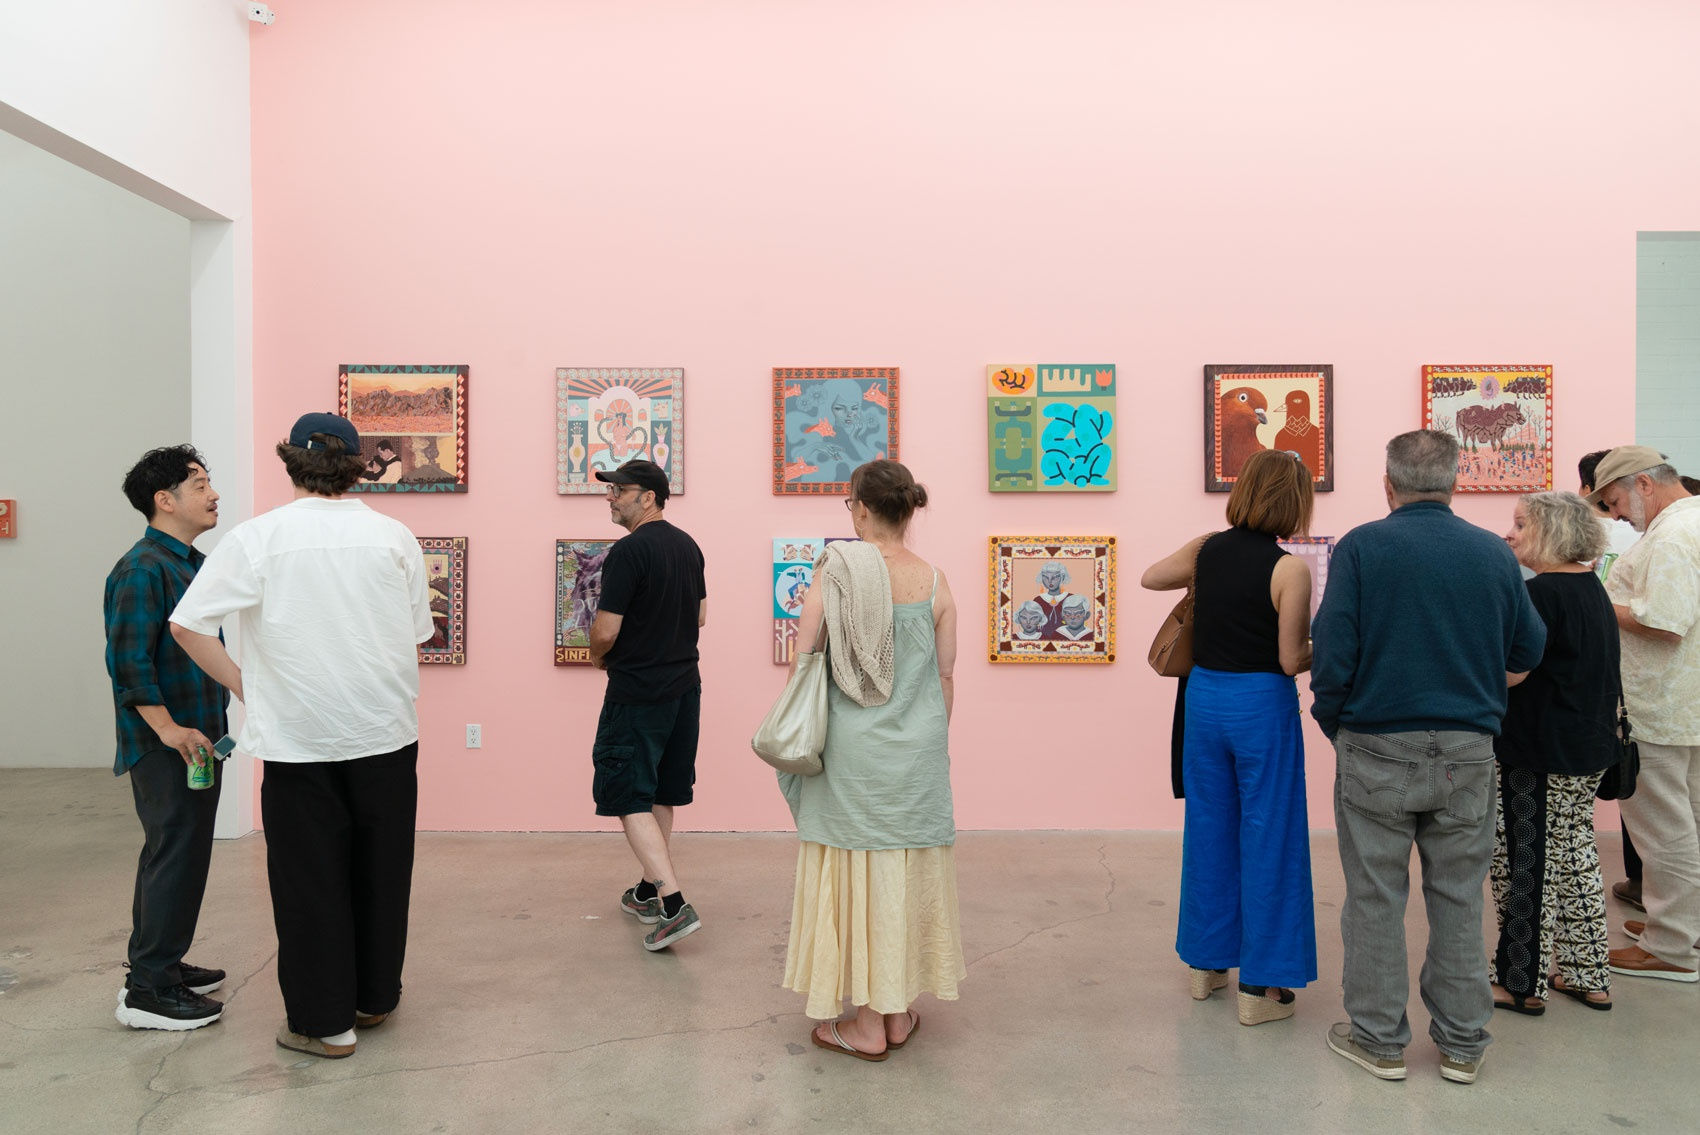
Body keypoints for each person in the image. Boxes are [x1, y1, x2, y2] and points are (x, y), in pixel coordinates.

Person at [170, 412, 433, 1059]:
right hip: (385, 733)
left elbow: (188, 625)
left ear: (292, 463)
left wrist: (245, 684)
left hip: (297, 739)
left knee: (310, 881)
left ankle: (324, 1022)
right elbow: (418, 632)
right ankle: (373, 998)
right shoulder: (394, 535)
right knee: (382, 871)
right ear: (357, 464)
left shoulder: (258, 538)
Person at [1311, 429, 1545, 1084]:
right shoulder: (1492, 555)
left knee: (1375, 896)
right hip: (1469, 749)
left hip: (1375, 743)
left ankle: (1380, 1039)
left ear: (1388, 485)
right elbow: (1527, 649)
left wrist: (1338, 724)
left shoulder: (1362, 546)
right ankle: (1464, 1044)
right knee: (1459, 896)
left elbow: (1332, 654)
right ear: (1454, 483)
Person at [780, 459, 964, 1060]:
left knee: (857, 875)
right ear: (908, 510)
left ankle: (864, 1026)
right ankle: (894, 1011)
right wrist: (921, 742)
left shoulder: (836, 573)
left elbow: (804, 658)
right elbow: (943, 677)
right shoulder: (936, 582)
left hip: (852, 755)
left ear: (860, 508)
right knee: (898, 876)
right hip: (914, 756)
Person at [1141, 449, 1317, 1026]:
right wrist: (1335, 648)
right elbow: (1290, 659)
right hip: (1259, 706)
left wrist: (1198, 561)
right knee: (1270, 835)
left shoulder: (1205, 549)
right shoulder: (1290, 568)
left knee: (1209, 829)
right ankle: (1259, 990)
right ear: (1296, 503)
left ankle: (1205, 966)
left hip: (1204, 702)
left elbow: (1149, 578)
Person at [105, 445, 229, 1031]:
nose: (213, 493)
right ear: (165, 499)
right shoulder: (143, 568)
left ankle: (166, 964)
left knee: (186, 855)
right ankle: (148, 989)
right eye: (199, 483)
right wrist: (170, 730)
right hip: (166, 744)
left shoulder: (190, 563)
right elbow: (128, 664)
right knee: (171, 855)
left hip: (195, 740)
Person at [1491, 492, 1621, 1013]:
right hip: (1587, 748)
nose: (1511, 534)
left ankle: (1520, 984)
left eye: (1520, 524)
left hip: (1539, 751)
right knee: (1575, 857)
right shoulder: (1591, 587)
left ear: (1549, 532)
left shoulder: (1540, 594)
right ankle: (1590, 975)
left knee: (1523, 862)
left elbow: (1513, 673)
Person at [1588, 446, 1700, 982]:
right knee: (1689, 824)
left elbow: (1665, 621)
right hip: (1684, 705)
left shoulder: (1674, 536)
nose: (1617, 517)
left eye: (1614, 502)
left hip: (1660, 707)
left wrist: (1595, 604)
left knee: (1663, 831)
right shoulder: (1688, 524)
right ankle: (1681, 925)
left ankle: (1672, 947)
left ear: (1644, 484)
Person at [587, 459, 708, 951]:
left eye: (620, 489)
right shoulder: (688, 546)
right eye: (610, 489)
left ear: (650, 497)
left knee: (627, 793)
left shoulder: (629, 551)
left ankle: (674, 904)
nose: (611, 497)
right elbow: (700, 616)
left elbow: (606, 628)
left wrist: (598, 657)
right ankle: (645, 892)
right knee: (660, 790)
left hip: (637, 691)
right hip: (685, 688)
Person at [1579, 449, 1648, 910]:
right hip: (1629, 676)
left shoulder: (1582, 537)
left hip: (1607, 679)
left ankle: (1646, 887)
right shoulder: (1639, 539)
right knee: (1634, 776)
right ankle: (1646, 887)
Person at [1031, 563, 1074, 637]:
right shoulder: (1038, 600)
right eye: (1046, 577)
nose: (1050, 581)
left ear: (1062, 577)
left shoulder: (1071, 598)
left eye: (1055, 577)